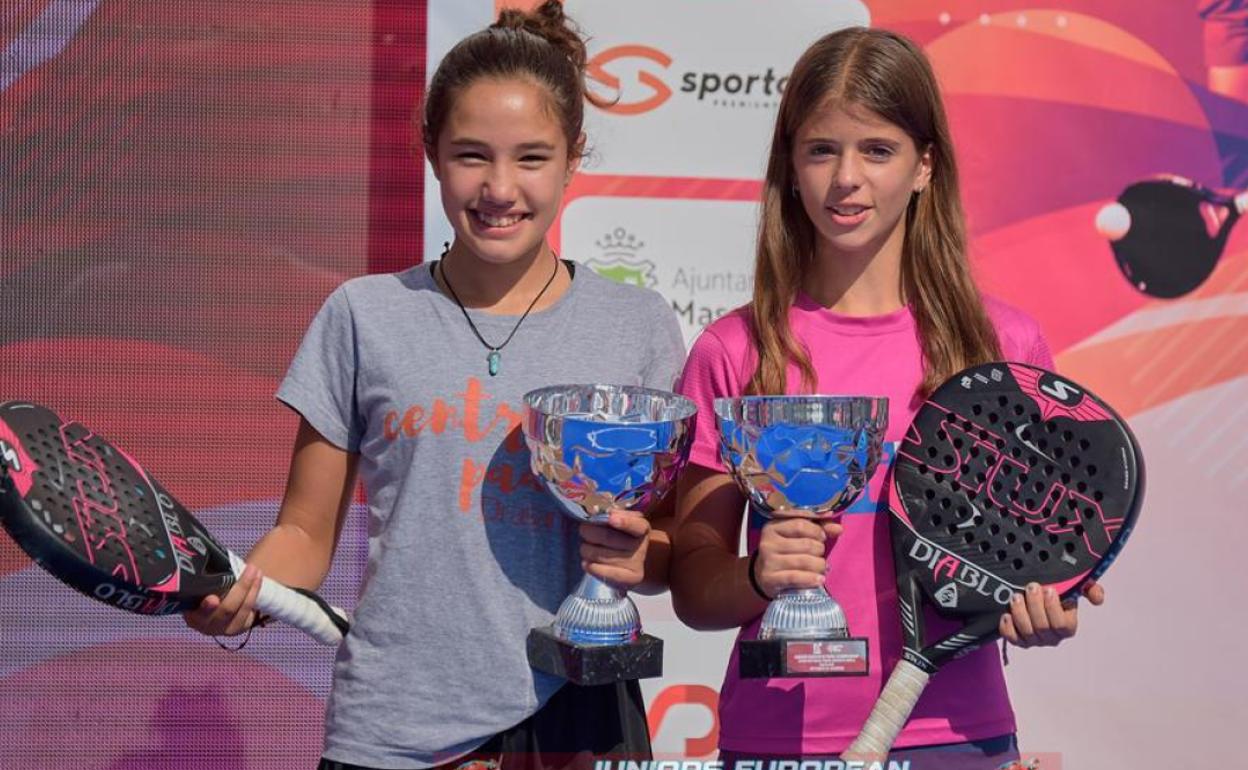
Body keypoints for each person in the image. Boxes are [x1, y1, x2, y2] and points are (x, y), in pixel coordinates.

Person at [183, 4, 685, 769]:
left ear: (575, 157)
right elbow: (305, 537)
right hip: (395, 730)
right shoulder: (363, 316)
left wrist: (636, 553)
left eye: (532, 158)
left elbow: (667, 552)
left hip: (578, 721)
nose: (499, 187)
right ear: (430, 152)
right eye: (472, 155)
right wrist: (243, 594)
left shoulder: (637, 325)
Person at [669, 27, 1105, 770]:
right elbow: (692, 585)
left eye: (877, 149)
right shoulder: (734, 350)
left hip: (957, 739)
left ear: (924, 165)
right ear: (791, 166)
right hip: (775, 739)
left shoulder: (1004, 344)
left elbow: (1035, 559)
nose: (847, 179)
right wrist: (753, 574)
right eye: (820, 149)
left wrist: (1042, 605)